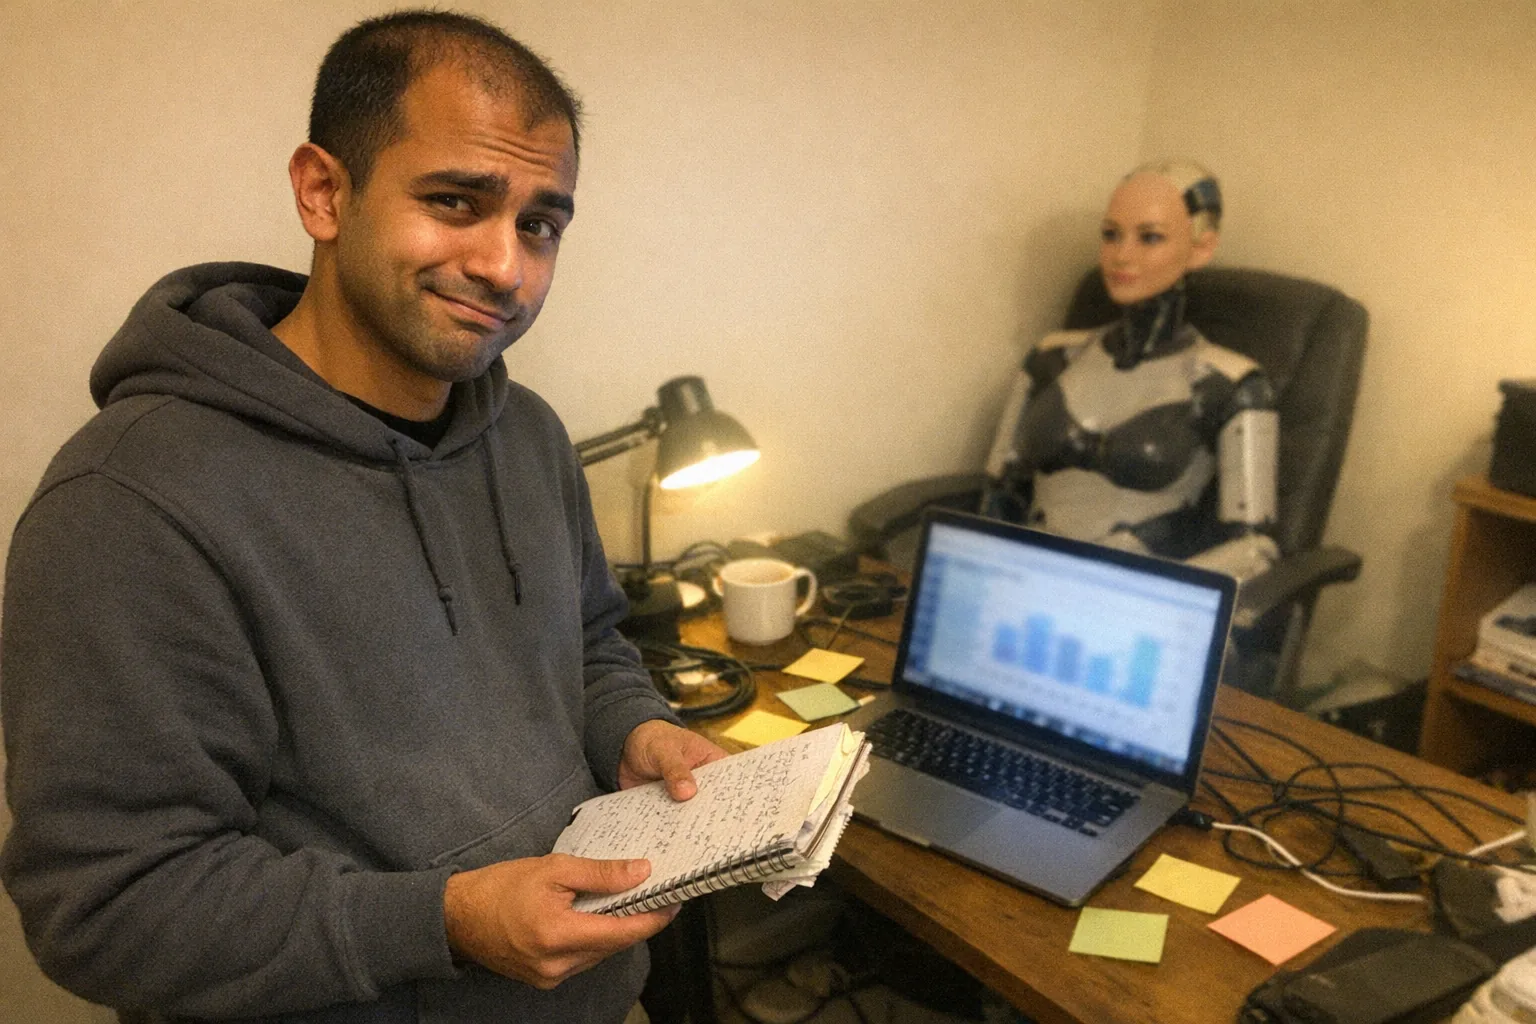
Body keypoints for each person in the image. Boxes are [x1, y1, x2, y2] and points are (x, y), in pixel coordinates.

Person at [0, 10, 725, 1023]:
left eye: (539, 224)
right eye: (454, 201)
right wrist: (444, 920)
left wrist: (636, 726)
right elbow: (107, 902)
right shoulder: (128, 506)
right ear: (323, 190)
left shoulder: (530, 437)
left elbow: (589, 640)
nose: (505, 267)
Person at [981, 160, 1281, 581]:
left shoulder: (1232, 385)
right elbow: (997, 495)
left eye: (1150, 237)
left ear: (1201, 248)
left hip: (1136, 608)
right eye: (1111, 234)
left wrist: (1156, 597)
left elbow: (1254, 550)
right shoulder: (1050, 359)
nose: (1121, 255)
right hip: (1027, 583)